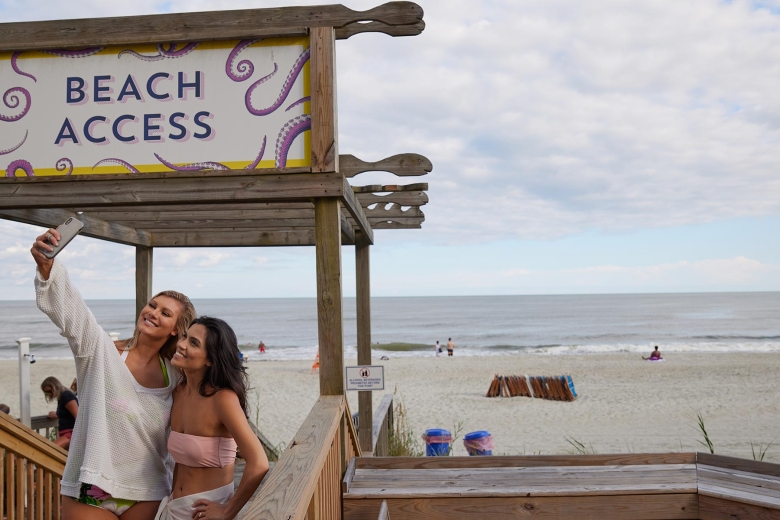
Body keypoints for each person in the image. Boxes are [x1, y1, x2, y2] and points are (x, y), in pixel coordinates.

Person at [31, 227, 197, 520]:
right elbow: (74, 314)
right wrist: (48, 266)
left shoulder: (177, 376)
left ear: (175, 330)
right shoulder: (100, 352)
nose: (153, 312)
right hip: (92, 485)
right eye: (152, 304)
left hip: (148, 488)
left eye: (165, 313)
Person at [155, 317, 269, 520]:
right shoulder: (178, 392)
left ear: (210, 359)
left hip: (205, 511)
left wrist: (228, 511)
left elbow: (259, 463)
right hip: (173, 507)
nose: (181, 345)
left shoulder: (222, 399)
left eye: (193, 343)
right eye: (184, 337)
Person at [41, 376, 79, 449]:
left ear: (55, 387)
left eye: (49, 391)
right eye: (46, 392)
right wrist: (57, 414)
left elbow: (77, 415)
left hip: (70, 433)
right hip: (65, 433)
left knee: (49, 450)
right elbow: (68, 413)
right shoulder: (62, 397)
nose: (48, 394)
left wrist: (78, 436)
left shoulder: (66, 396)